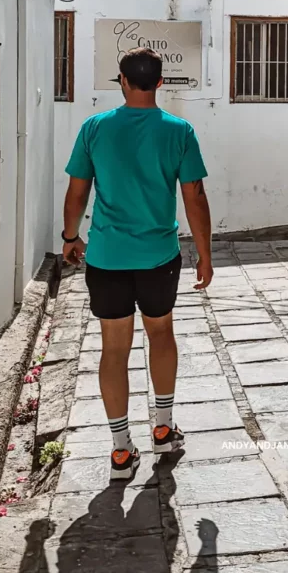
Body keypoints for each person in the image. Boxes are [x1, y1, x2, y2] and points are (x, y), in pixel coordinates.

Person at [61, 47, 213, 481]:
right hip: (158, 256)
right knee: (161, 332)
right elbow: (194, 197)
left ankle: (121, 448)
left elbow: (77, 194)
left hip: (107, 257)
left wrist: (71, 238)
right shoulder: (179, 131)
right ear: (161, 82)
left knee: (113, 349)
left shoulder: (94, 128)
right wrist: (204, 252)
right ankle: (162, 427)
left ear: (122, 81)